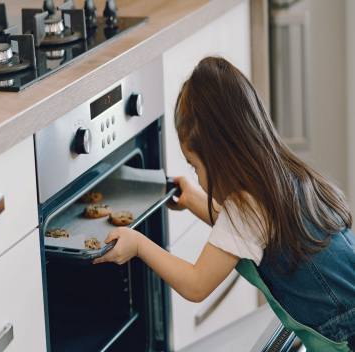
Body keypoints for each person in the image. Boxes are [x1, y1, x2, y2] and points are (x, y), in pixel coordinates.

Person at [92, 57, 355, 351]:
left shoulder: (245, 207)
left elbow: (196, 284)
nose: (199, 178)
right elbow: (243, 233)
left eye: (195, 166)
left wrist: (139, 245)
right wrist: (193, 198)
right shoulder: (281, 175)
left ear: (219, 157)